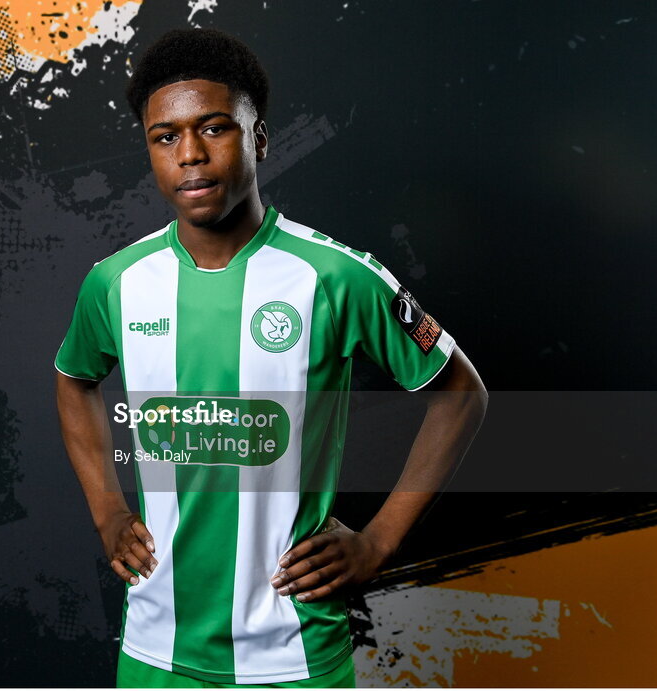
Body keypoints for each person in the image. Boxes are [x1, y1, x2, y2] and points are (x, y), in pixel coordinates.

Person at [54, 28, 487, 688]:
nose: (190, 155)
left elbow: (462, 392)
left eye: (215, 128)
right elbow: (74, 378)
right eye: (165, 137)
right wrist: (109, 513)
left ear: (258, 137)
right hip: (155, 649)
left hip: (296, 654)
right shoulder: (115, 281)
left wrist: (378, 541)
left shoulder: (335, 277)